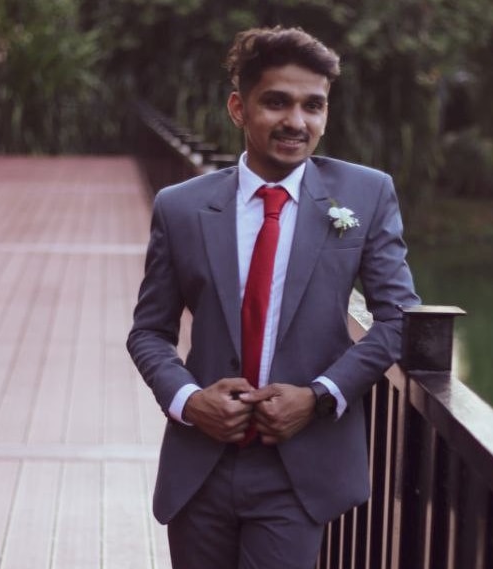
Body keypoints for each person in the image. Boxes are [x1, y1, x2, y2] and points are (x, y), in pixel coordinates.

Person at [127, 26, 420, 569]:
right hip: (201, 463)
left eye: (314, 105)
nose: (297, 122)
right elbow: (148, 332)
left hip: (299, 468)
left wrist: (320, 395)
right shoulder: (181, 207)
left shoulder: (365, 193)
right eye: (277, 102)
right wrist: (191, 401)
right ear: (239, 108)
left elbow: (397, 318)